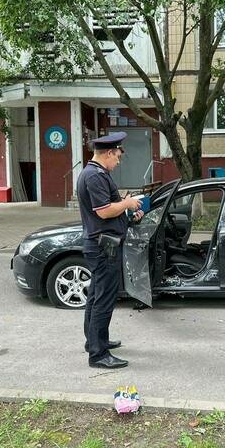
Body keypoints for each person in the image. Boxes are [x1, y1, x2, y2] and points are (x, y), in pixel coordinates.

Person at [77, 132, 143, 369]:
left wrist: (127, 210)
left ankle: (95, 341)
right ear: (107, 153)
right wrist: (126, 203)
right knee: (103, 299)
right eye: (117, 157)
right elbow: (103, 211)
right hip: (102, 247)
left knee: (96, 296)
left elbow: (109, 210)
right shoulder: (95, 176)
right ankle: (98, 354)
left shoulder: (96, 174)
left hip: (101, 244)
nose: (118, 161)